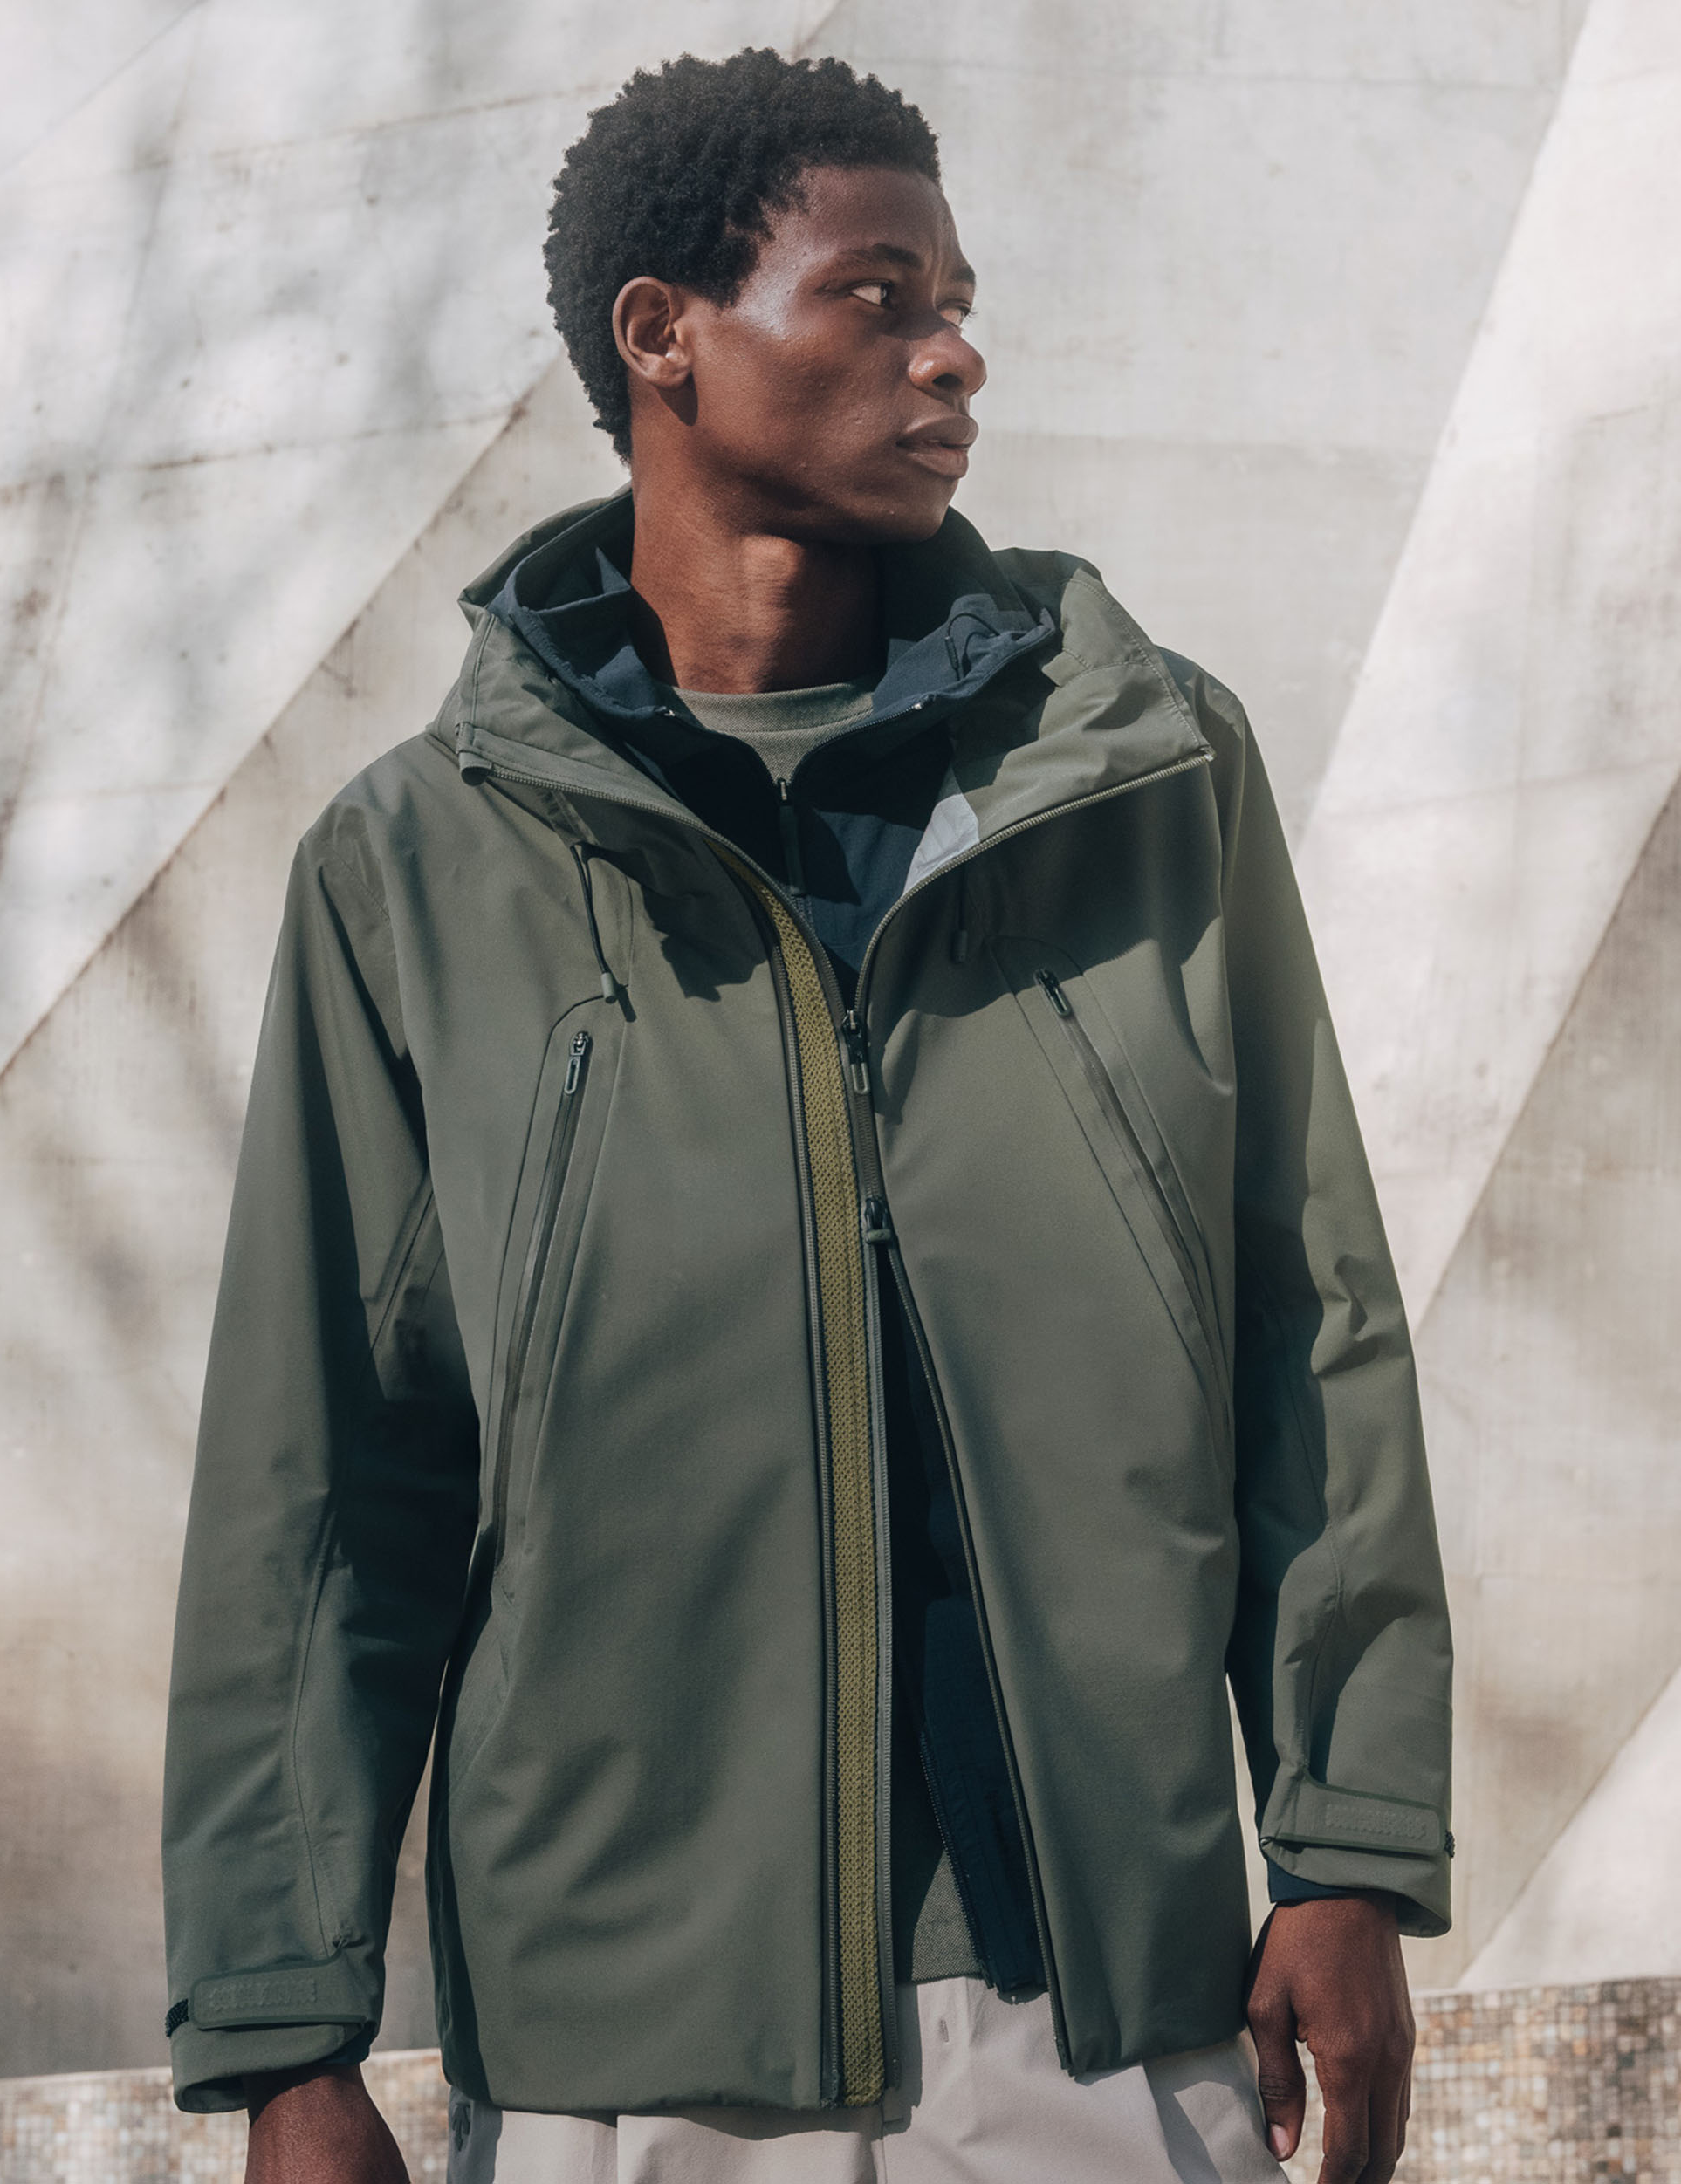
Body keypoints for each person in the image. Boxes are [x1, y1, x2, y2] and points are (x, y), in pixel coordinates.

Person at [162, 47, 1451, 2184]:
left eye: (958, 302)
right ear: (661, 333)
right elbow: (323, 1484)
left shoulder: (1144, 775)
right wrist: (287, 2046)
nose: (951, 352)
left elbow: (1304, 1322)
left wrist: (1345, 1846)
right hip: (627, 2050)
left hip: (1108, 2014)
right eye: (874, 295)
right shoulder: (418, 869)